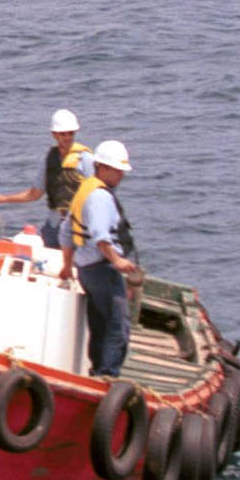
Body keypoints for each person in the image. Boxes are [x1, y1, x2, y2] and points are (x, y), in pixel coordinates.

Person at [71, 140, 141, 377]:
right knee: (117, 326)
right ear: (102, 167)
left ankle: (97, 370)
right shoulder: (100, 197)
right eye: (117, 169)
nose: (121, 175)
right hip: (102, 269)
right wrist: (118, 261)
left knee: (99, 321)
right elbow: (101, 236)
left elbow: (65, 231)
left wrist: (66, 262)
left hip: (86, 267)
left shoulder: (86, 189)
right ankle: (107, 375)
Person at [0, 108, 90, 251]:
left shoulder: (85, 159)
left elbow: (98, 193)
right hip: (54, 225)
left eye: (71, 133)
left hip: (78, 228)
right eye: (63, 133)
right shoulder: (50, 159)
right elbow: (35, 194)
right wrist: (3, 199)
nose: (67, 137)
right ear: (54, 134)